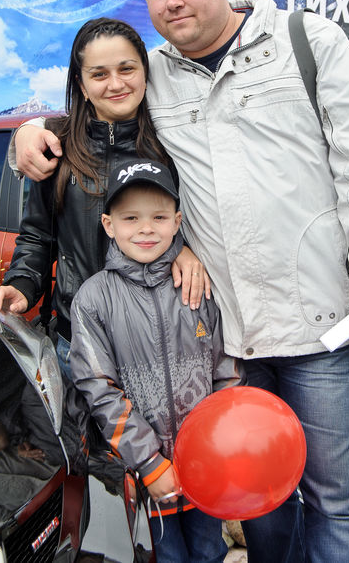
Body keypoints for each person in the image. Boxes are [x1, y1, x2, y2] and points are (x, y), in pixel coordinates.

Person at [12, 0, 349, 563]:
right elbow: (103, 114)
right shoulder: (158, 75)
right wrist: (32, 130)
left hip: (320, 325)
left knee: (336, 499)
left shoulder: (303, 42)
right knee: (261, 495)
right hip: (226, 338)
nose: (173, 0)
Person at [0, 18, 210, 373]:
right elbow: (38, 236)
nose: (116, 84)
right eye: (99, 74)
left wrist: (184, 247)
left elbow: (199, 218)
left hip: (160, 344)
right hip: (77, 342)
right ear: (82, 85)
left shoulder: (172, 145)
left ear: (145, 74)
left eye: (127, 69)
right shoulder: (57, 148)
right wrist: (21, 287)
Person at [69, 158, 242, 563]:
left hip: (203, 469)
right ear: (109, 225)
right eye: (131, 218)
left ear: (177, 221)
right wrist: (149, 462)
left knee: (209, 552)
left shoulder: (197, 287)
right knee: (164, 557)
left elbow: (227, 373)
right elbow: (98, 389)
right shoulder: (93, 299)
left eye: (159, 217)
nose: (146, 228)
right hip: (142, 478)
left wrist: (220, 448)